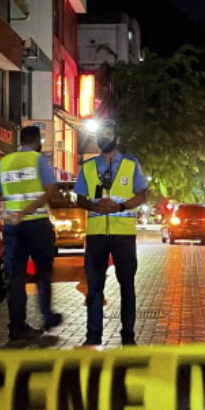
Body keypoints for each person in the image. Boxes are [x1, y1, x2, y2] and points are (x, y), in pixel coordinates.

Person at [75, 122, 148, 347]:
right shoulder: (87, 167)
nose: (104, 138)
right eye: (101, 134)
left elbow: (142, 195)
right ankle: (93, 335)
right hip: (96, 235)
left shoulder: (131, 164)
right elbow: (80, 198)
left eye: (108, 134)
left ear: (116, 136)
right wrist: (94, 206)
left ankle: (128, 335)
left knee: (127, 285)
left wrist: (121, 207)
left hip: (123, 235)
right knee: (95, 287)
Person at [0, 125, 63, 341]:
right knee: (43, 272)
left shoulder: (4, 162)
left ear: (20, 140)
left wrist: (16, 206)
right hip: (36, 224)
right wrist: (27, 209)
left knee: (16, 276)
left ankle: (17, 326)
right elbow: (51, 189)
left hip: (13, 226)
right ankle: (47, 316)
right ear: (37, 141)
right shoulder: (38, 160)